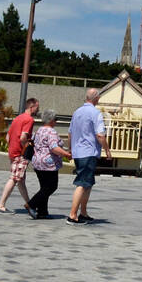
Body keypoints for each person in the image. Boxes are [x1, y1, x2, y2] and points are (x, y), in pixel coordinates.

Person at [67, 88, 111, 226]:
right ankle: (72, 215)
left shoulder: (77, 112)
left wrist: (70, 148)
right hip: (89, 152)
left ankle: (83, 213)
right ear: (96, 98)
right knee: (82, 183)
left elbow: (70, 133)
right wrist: (107, 150)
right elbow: (100, 135)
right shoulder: (96, 113)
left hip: (78, 152)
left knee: (88, 184)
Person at [0, 97, 39, 216]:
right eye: (37, 107)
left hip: (12, 152)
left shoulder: (18, 118)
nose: (38, 109)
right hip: (20, 154)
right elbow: (23, 137)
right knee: (14, 178)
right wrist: (27, 148)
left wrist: (13, 147)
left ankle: (30, 205)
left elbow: (7, 137)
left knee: (20, 180)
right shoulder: (29, 120)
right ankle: (1, 205)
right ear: (32, 107)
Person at [27, 109, 70, 219]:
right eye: (55, 119)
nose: (56, 122)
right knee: (51, 187)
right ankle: (31, 204)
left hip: (37, 161)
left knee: (44, 187)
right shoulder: (51, 132)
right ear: (51, 120)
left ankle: (42, 211)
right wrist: (66, 154)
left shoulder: (39, 130)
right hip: (48, 164)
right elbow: (54, 147)